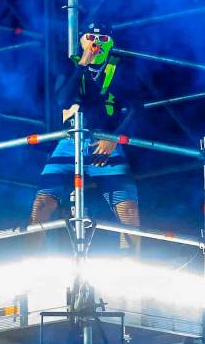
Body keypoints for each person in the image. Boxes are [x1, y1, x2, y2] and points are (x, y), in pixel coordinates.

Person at [29, 22, 140, 252]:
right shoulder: (68, 65)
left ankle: (129, 274)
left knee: (128, 211)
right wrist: (82, 64)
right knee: (41, 205)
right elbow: (61, 100)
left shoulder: (120, 68)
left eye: (102, 39)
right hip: (68, 144)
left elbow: (136, 107)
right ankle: (30, 267)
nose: (96, 43)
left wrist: (114, 138)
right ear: (81, 40)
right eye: (90, 37)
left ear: (111, 43)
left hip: (106, 145)